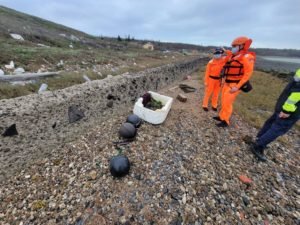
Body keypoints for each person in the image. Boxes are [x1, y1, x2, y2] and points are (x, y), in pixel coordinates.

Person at [250, 68, 300, 161]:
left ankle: (259, 138)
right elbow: (296, 95)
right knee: (277, 129)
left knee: (271, 123)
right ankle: (258, 145)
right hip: (288, 111)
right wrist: (287, 111)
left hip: (281, 105)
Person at [214, 36, 256, 127]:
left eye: (235, 46)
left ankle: (226, 120)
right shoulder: (235, 55)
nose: (233, 48)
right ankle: (221, 116)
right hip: (227, 82)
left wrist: (237, 87)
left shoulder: (247, 57)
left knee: (227, 103)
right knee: (223, 101)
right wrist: (224, 50)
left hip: (234, 85)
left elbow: (247, 74)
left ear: (242, 46)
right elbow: (230, 53)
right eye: (233, 46)